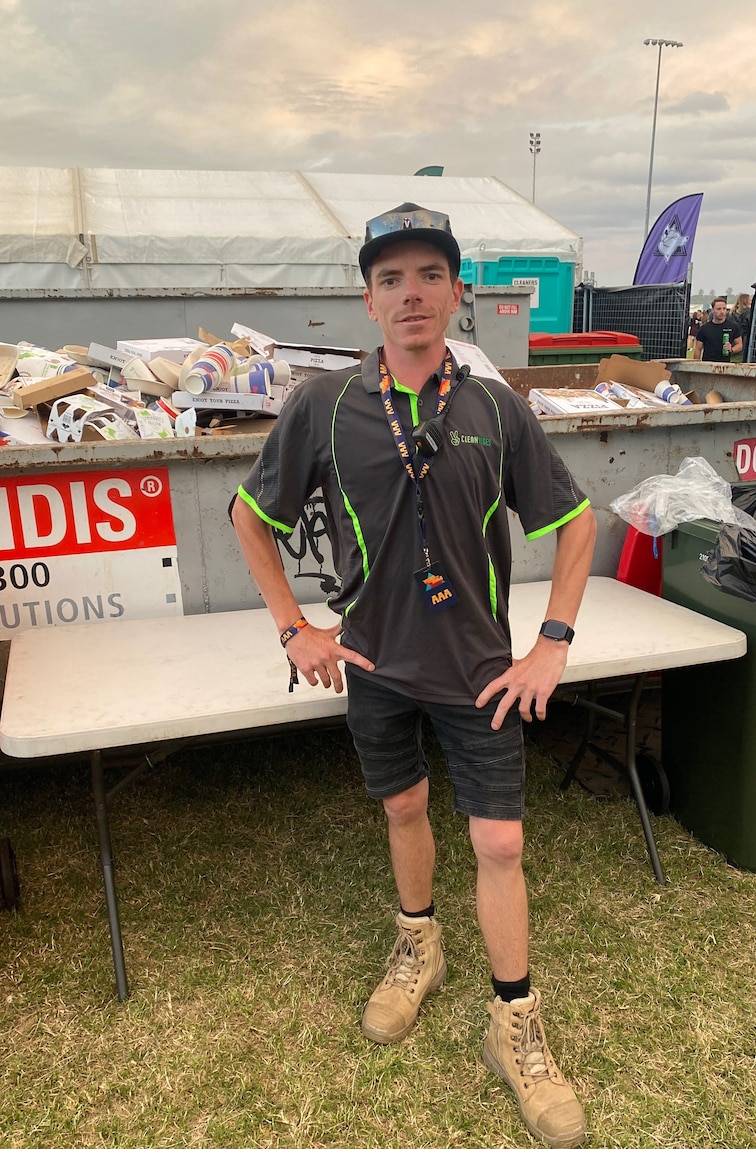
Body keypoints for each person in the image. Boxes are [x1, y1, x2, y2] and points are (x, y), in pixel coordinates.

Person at [231, 202, 597, 1148]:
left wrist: (551, 642)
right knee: (401, 810)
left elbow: (573, 521)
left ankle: (513, 1023)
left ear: (456, 292)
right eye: (391, 279)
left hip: (481, 672)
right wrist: (292, 630)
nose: (411, 294)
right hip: (375, 663)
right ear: (368, 299)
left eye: (429, 275)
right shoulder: (325, 406)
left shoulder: (492, 407)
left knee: (502, 843)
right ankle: (418, 950)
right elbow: (249, 516)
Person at [694, 297, 743, 362]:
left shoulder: (733, 326)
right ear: (712, 310)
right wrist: (696, 365)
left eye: (724, 309)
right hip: (708, 365)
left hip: (725, 366)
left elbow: (739, 345)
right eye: (718, 309)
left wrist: (732, 349)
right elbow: (698, 349)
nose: (722, 312)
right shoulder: (704, 328)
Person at [732, 293, 752, 360]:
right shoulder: (749, 312)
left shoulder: (732, 313)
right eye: (749, 299)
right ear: (746, 300)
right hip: (745, 336)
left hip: (734, 336)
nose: (751, 300)